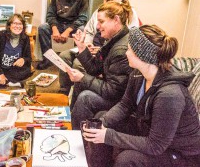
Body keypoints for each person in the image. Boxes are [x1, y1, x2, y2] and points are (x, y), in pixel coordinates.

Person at [81, 25, 200, 167]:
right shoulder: (138, 74)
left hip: (180, 154)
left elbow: (155, 145)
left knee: (127, 159)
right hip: (149, 130)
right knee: (101, 118)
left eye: (129, 49)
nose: (126, 53)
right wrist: (102, 122)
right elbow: (125, 105)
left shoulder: (170, 95)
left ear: (142, 55)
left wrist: (109, 136)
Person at [59, 0, 139, 94]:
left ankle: (80, 89)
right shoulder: (100, 11)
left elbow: (131, 39)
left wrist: (100, 49)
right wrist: (86, 45)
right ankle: (64, 92)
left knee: (77, 64)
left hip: (106, 54)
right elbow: (89, 31)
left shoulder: (128, 14)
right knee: (64, 56)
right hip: (95, 49)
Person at [67, 0, 133, 130]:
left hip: (122, 100)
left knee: (85, 98)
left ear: (116, 20)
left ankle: (78, 139)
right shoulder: (112, 40)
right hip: (114, 91)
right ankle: (71, 125)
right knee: (81, 83)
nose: (97, 26)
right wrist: (81, 47)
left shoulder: (120, 50)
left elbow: (113, 92)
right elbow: (94, 69)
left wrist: (82, 77)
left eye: (101, 21)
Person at [37, 0, 88, 70]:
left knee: (82, 29)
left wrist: (68, 31)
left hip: (73, 25)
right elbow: (50, 15)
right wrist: (55, 29)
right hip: (58, 23)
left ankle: (74, 58)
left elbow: (83, 18)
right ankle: (48, 59)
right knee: (42, 28)